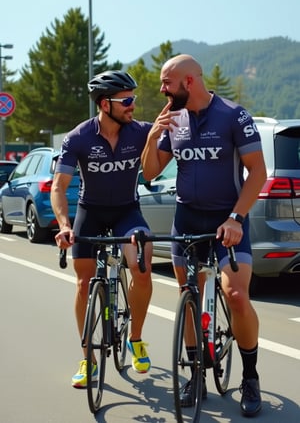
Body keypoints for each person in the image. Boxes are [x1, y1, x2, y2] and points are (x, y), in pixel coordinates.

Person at [141, 54, 267, 417]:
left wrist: (236, 217)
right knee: (188, 295)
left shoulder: (232, 115)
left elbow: (256, 172)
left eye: (167, 83)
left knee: (237, 295)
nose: (162, 89)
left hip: (228, 221)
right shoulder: (175, 120)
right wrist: (153, 136)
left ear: (189, 82)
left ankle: (251, 376)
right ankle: (195, 373)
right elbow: (150, 172)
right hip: (187, 220)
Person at [51, 70, 153, 388]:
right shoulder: (78, 138)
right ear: (104, 104)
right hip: (90, 212)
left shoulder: (141, 133)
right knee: (83, 284)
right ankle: (88, 359)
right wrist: (65, 226)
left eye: (133, 99)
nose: (133, 105)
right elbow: (58, 186)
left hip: (127, 211)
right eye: (126, 100)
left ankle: (135, 338)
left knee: (142, 262)